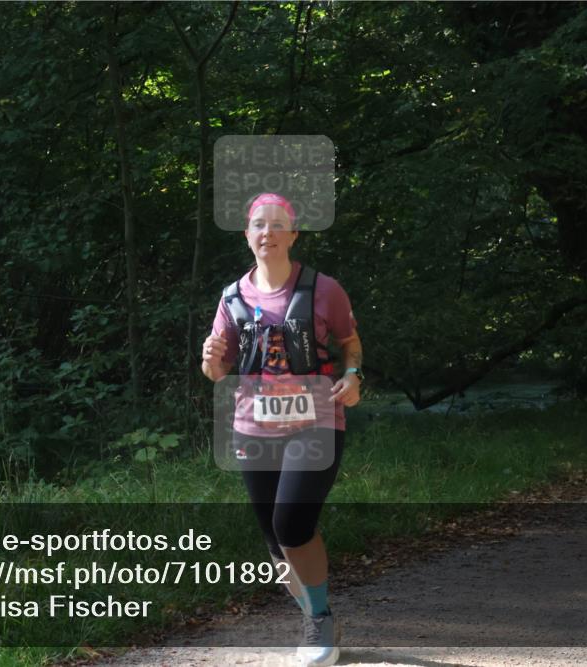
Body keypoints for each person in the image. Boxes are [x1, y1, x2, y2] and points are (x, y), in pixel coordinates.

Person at [201, 193, 363, 667]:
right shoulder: (231, 298)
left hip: (316, 421)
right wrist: (210, 362)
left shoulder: (322, 289)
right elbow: (219, 369)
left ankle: (318, 625)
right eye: (257, 225)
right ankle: (320, 617)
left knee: (291, 525)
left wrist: (354, 378)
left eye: (276, 225)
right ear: (247, 236)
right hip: (253, 428)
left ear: (293, 234)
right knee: (274, 540)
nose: (266, 232)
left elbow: (350, 344)